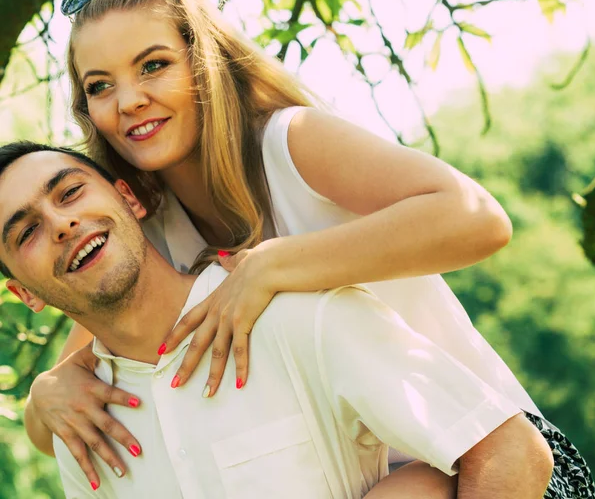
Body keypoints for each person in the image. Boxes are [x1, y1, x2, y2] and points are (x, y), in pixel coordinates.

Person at [18, 0, 592, 497]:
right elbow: (63, 412)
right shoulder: (147, 225)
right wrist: (44, 396)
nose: (129, 101)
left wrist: (274, 263)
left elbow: (479, 220)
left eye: (153, 65)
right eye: (99, 85)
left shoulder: (288, 143)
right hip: (358, 474)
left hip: (492, 458)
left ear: (203, 62)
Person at [0, 142, 560, 498]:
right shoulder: (83, 430)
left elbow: (511, 451)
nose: (62, 223)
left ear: (131, 198)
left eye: (70, 193)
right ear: (23, 293)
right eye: (25, 232)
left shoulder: (295, 319)